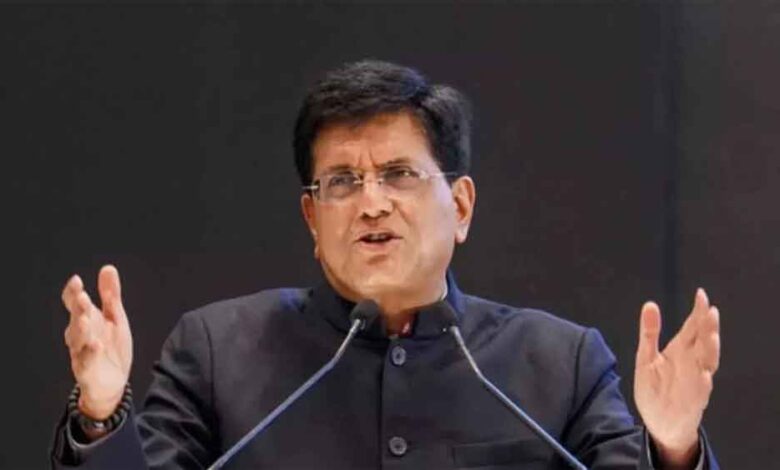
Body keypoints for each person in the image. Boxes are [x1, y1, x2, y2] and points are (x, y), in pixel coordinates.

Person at [52, 60, 721, 469]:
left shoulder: (561, 365)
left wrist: (673, 448)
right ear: (312, 219)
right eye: (342, 181)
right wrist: (102, 411)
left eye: (399, 174)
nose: (371, 203)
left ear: (461, 206)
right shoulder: (217, 352)